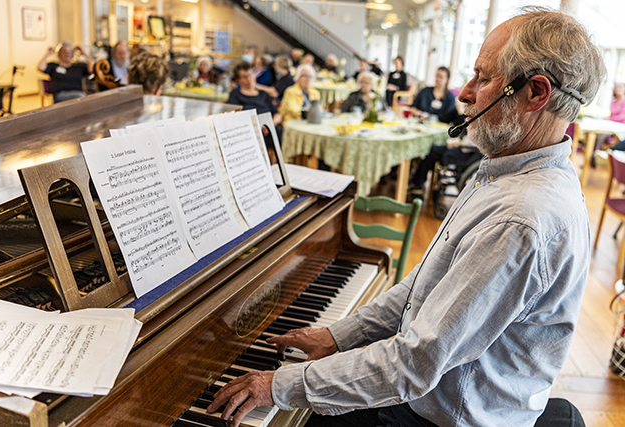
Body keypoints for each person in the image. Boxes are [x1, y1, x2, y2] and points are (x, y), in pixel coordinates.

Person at [207, 7, 605, 427]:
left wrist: (276, 385)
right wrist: (338, 335)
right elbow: (424, 284)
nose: (464, 93)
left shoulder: (521, 218)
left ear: (536, 93)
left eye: (483, 79)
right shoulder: (505, 171)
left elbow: (414, 363)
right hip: (430, 392)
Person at [226, 62, 281, 127]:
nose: (248, 79)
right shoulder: (235, 95)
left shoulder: (263, 94)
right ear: (238, 80)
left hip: (269, 129)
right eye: (244, 77)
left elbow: (277, 114)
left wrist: (272, 123)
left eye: (250, 75)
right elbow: (230, 117)